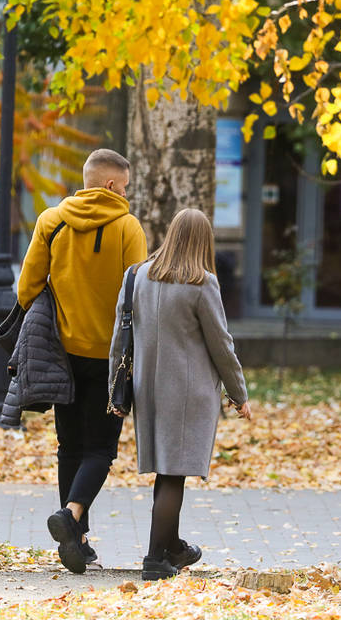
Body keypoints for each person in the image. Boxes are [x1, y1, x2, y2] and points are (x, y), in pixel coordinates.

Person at [16, 148, 147, 573]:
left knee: (68, 445)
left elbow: (25, 290)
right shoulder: (128, 228)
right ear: (110, 185)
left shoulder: (51, 221)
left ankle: (76, 541)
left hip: (63, 352)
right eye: (125, 187)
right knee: (101, 449)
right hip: (111, 358)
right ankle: (71, 517)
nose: (127, 194)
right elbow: (138, 297)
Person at [109, 208, 251, 581]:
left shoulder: (136, 276)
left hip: (147, 389)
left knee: (167, 470)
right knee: (174, 474)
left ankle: (173, 548)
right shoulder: (202, 283)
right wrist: (239, 392)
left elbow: (119, 338)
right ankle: (156, 559)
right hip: (188, 392)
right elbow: (221, 343)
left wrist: (115, 390)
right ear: (204, 241)